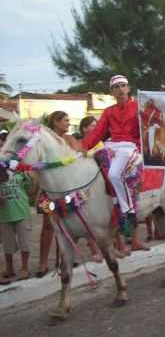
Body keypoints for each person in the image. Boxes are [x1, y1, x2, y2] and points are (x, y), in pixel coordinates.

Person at [81, 75, 149, 251]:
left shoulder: (139, 107)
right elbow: (97, 133)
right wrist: (83, 147)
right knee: (95, 165)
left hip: (131, 146)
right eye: (116, 87)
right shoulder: (108, 111)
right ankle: (111, 202)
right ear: (112, 91)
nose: (120, 89)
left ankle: (129, 210)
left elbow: (150, 126)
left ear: (128, 88)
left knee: (113, 174)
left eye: (123, 86)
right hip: (112, 146)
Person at [36, 112, 104, 277]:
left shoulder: (70, 139)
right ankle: (43, 262)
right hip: (49, 188)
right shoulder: (43, 140)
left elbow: (77, 159)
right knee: (48, 226)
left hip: (68, 188)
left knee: (68, 221)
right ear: (56, 122)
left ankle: (66, 258)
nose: (68, 123)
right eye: (65, 120)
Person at [0, 130, 35, 285]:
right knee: (7, 245)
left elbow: (31, 189)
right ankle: (9, 268)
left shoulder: (19, 169)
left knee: (24, 243)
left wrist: (32, 180)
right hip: (4, 215)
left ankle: (25, 267)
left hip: (22, 213)